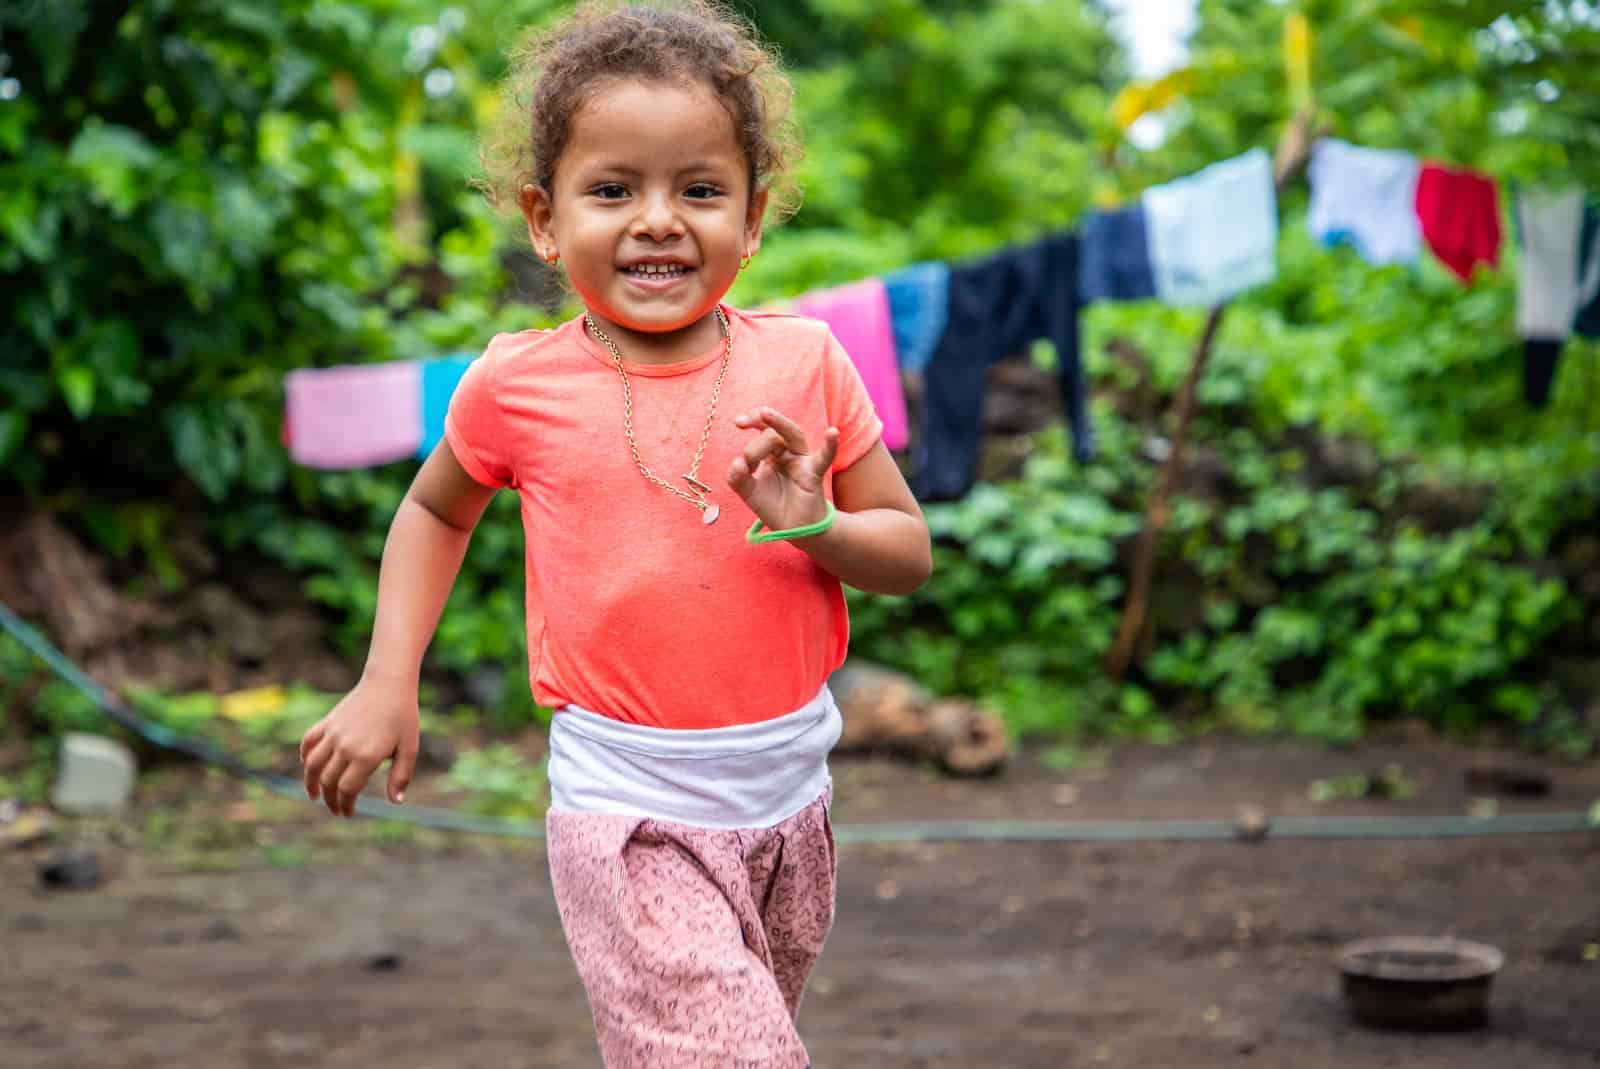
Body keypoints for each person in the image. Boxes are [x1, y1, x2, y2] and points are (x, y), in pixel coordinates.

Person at [297, 2, 932, 1064]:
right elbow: (432, 506)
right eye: (612, 189)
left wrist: (818, 524)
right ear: (545, 220)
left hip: (790, 805)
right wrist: (385, 678)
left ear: (755, 215)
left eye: (698, 189)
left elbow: (906, 555)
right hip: (627, 806)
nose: (657, 220)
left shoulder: (807, 366)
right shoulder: (518, 383)